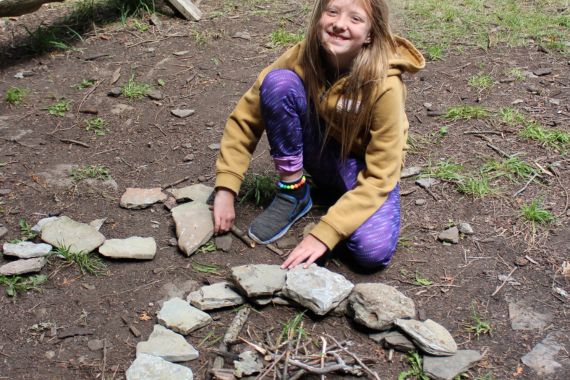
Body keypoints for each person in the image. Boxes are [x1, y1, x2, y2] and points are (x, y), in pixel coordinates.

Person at [212, 0, 425, 270]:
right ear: (319, 16)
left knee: (371, 253)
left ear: (371, 33)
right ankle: (294, 192)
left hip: (362, 169)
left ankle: (339, 201)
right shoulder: (304, 55)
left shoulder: (386, 85)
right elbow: (247, 115)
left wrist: (325, 233)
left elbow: (381, 175)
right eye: (332, 12)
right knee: (278, 83)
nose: (339, 24)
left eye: (355, 19)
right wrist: (226, 187)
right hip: (320, 150)